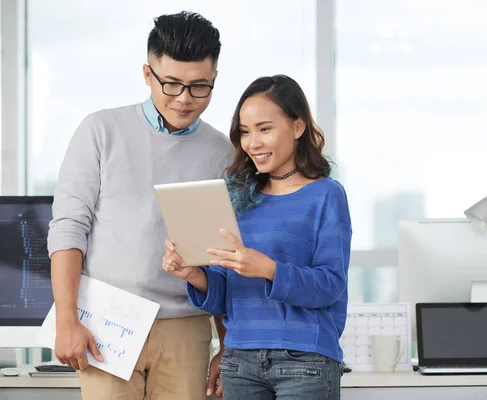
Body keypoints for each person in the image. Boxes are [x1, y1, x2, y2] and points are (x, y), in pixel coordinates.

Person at [47, 11, 233, 400]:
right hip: (106, 323)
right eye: (172, 84)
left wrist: (227, 343)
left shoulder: (223, 152)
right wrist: (66, 320)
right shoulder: (100, 131)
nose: (184, 99)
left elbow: (222, 255)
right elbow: (69, 227)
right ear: (148, 74)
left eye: (200, 86)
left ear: (214, 79)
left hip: (186, 327)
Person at [162, 75, 352, 399]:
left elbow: (330, 285)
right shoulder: (237, 197)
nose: (253, 143)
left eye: (264, 129)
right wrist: (195, 275)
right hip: (240, 362)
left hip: (304, 360)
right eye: (246, 132)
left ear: (297, 127)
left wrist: (269, 269)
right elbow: (224, 297)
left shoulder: (326, 195)